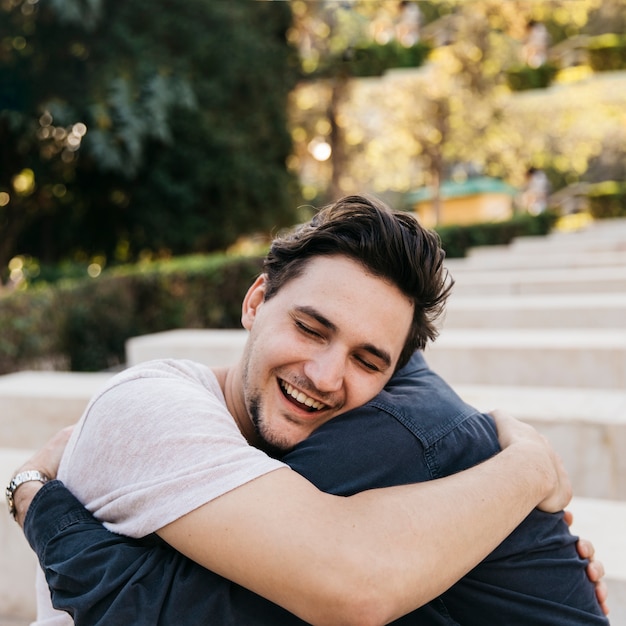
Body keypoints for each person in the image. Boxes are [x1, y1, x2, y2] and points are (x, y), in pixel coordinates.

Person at [7, 195, 605, 625]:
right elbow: (355, 583)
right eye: (310, 327)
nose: (325, 376)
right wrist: (530, 468)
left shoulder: (355, 447)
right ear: (255, 301)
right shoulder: (152, 407)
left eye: (367, 361)